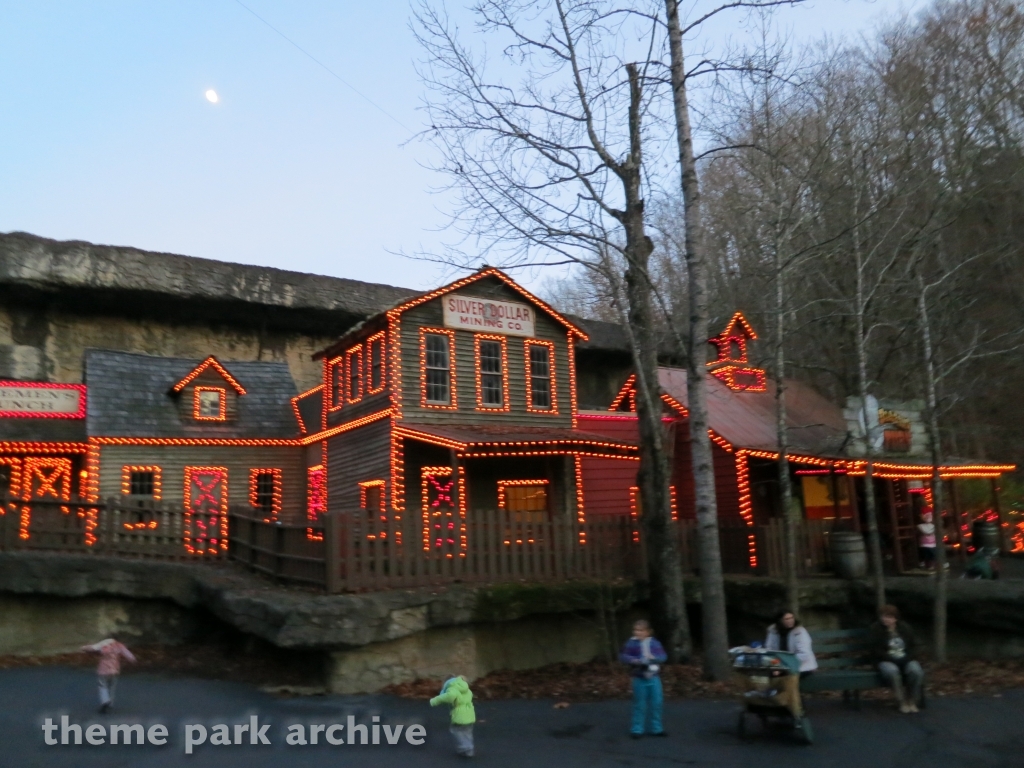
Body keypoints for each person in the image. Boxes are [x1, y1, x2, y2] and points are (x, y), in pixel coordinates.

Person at [868, 605, 923, 713]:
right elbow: (875, 649)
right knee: (892, 671)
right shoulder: (875, 629)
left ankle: (912, 700)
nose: (885, 619)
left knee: (916, 671)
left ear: (895, 618)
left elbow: (915, 645)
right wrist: (891, 658)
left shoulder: (905, 628)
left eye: (888, 617)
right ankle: (901, 701)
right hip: (885, 660)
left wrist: (908, 657)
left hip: (905, 659)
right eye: (883, 616)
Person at [619, 619, 668, 739]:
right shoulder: (631, 643)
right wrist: (633, 660)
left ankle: (657, 728)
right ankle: (637, 729)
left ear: (648, 632)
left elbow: (663, 656)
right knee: (639, 704)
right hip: (639, 677)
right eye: (636, 630)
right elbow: (623, 656)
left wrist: (654, 657)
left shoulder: (654, 643)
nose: (638, 632)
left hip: (654, 677)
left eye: (641, 630)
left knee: (657, 703)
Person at [80, 637, 136, 714]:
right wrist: (133, 660)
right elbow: (128, 654)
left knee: (103, 686)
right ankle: (110, 703)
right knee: (112, 687)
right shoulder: (119, 646)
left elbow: (93, 647)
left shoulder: (104, 645)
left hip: (103, 670)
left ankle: (105, 701)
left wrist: (84, 648)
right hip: (114, 670)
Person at [430, 675, 476, 757]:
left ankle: (465, 747)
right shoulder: (465, 688)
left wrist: (435, 700)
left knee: (456, 730)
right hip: (470, 713)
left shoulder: (452, 687)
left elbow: (450, 696)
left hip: (460, 715)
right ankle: (469, 749)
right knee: (467, 731)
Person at [765, 610, 818, 676]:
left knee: (785, 675)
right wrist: (776, 664)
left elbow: (804, 654)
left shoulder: (799, 631)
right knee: (768, 674)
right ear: (780, 620)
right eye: (787, 619)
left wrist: (785, 663)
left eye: (792, 618)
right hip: (780, 665)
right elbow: (769, 649)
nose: (790, 620)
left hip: (803, 666)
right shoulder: (773, 631)